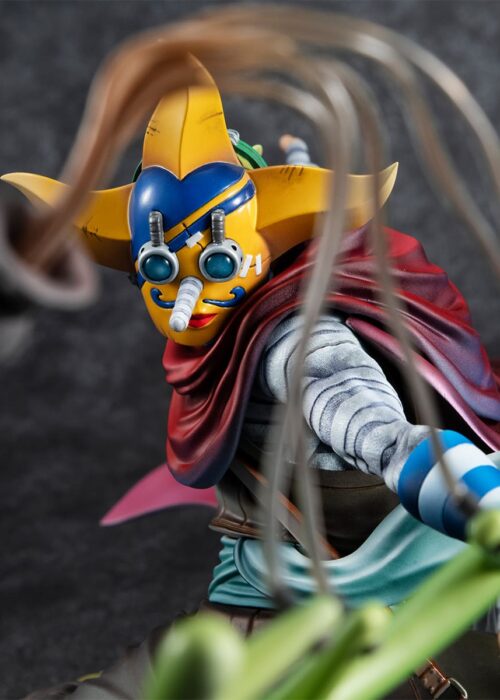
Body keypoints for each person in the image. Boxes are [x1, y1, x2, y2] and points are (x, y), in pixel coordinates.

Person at [4, 58, 500, 700]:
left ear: (263, 245)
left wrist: (482, 505)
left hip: (334, 597)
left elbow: (380, 434)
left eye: (216, 261)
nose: (187, 295)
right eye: (160, 268)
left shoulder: (293, 341)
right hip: (259, 574)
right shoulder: (226, 342)